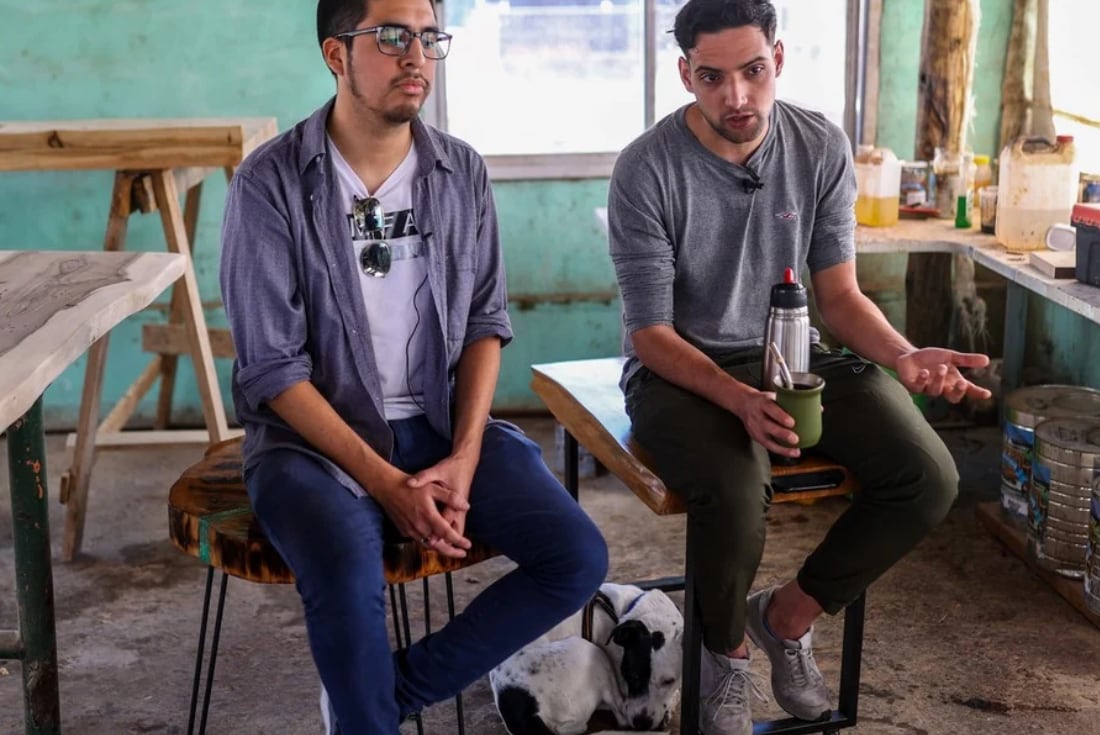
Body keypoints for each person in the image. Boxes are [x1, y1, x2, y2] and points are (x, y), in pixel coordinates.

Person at [219, 0, 609, 731]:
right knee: (344, 562)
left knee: (577, 555)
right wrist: (386, 483)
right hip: (310, 443)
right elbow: (271, 368)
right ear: (337, 56)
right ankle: (366, 708)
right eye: (392, 36)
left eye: (429, 38)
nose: (416, 56)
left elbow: (486, 325)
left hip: (435, 421)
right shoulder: (269, 183)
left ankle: (382, 696)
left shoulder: (459, 171)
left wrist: (463, 456)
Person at [606, 1, 991, 733]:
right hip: (678, 369)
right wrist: (738, 399)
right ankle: (725, 654)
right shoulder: (647, 168)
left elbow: (838, 297)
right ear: (686, 74)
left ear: (777, 60)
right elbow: (649, 333)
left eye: (753, 72)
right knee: (735, 484)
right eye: (713, 78)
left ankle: (786, 616)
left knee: (927, 475)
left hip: (792, 354)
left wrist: (904, 355)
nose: (738, 97)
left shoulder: (818, 143)